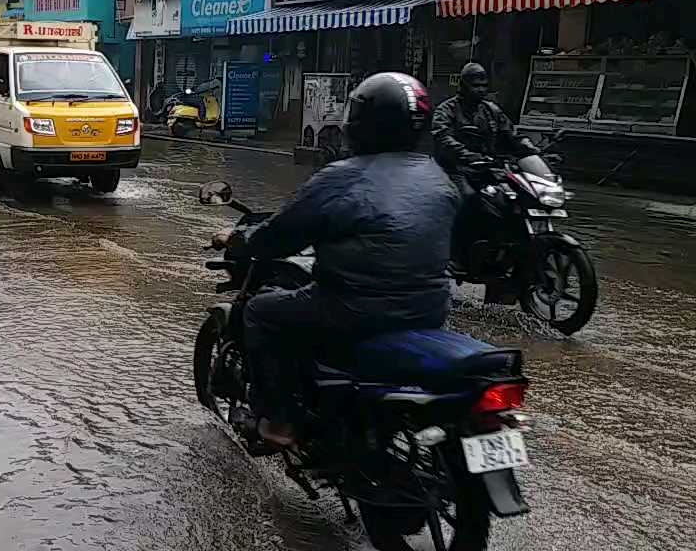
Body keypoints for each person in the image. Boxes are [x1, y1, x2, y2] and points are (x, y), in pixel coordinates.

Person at [212, 73, 460, 448]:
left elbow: (279, 236)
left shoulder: (341, 178)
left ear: (360, 123)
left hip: (352, 308)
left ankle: (278, 422)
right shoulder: (437, 177)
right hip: (429, 309)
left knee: (262, 312)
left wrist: (238, 239)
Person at [431, 62, 539, 267]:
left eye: (483, 85)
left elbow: (512, 135)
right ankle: (457, 254)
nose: (480, 89)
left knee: (515, 199)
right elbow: (443, 138)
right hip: (455, 169)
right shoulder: (446, 110)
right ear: (463, 86)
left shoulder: (491, 110)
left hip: (488, 168)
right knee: (469, 198)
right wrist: (467, 155)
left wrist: (533, 151)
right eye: (475, 85)